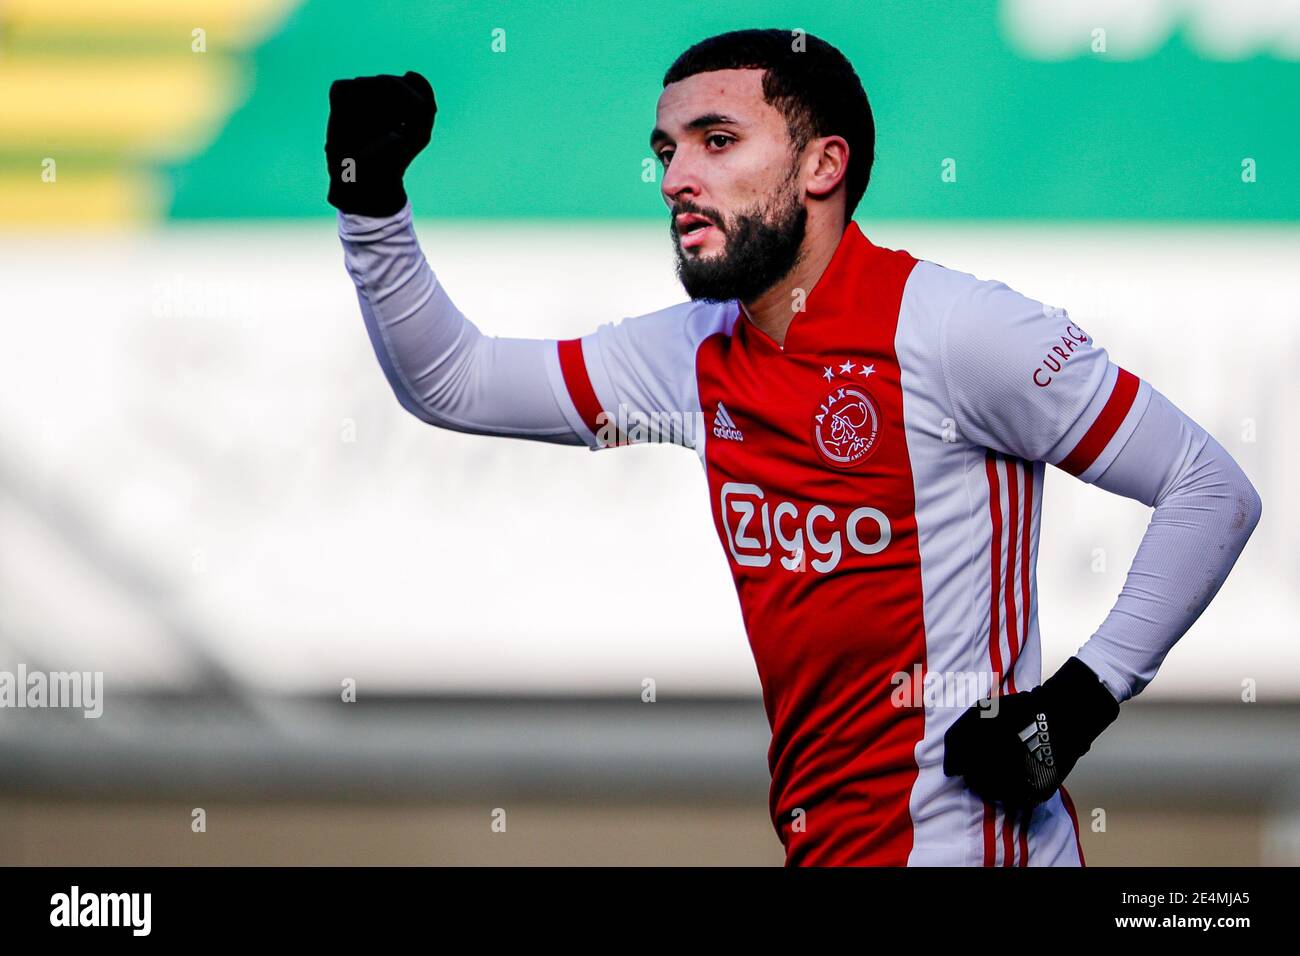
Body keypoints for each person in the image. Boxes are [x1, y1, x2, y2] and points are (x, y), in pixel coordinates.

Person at [324, 29, 1262, 866]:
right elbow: (458, 382)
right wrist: (372, 206)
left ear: (823, 166)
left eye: (717, 141)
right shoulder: (694, 354)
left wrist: (1075, 706)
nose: (676, 177)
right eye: (666, 149)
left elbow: (1208, 488)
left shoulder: (957, 331)